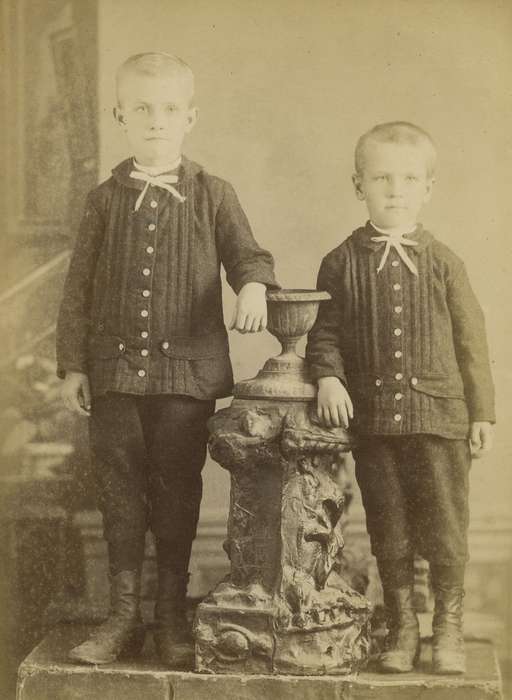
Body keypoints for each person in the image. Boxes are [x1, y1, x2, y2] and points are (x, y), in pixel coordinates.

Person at [56, 52, 278, 667]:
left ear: (191, 117)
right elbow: (77, 289)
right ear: (121, 114)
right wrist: (74, 364)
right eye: (144, 109)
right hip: (115, 376)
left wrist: (253, 287)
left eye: (171, 109)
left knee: (177, 492)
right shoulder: (104, 201)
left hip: (186, 378)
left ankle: (171, 617)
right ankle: (123, 616)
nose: (158, 120)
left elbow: (250, 257)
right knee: (121, 492)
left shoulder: (214, 194)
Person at [306, 122, 495, 675]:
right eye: (382, 177)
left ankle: (447, 630)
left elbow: (472, 341)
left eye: (409, 178)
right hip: (377, 424)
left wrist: (482, 412)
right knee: (389, 527)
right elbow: (325, 333)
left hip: (440, 421)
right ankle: (402, 628)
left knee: (444, 526)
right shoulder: (340, 262)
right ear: (358, 184)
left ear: (428, 187)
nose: (395, 188)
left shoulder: (444, 262)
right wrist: (329, 377)